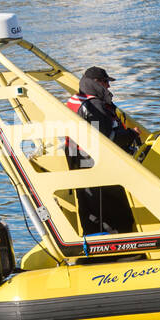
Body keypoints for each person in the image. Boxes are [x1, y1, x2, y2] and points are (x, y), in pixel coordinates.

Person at [64, 66, 141, 236]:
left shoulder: (77, 100)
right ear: (97, 83)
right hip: (97, 166)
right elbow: (105, 138)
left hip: (81, 163)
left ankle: (95, 249)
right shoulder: (94, 105)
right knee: (115, 214)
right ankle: (123, 253)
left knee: (91, 214)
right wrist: (131, 135)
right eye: (106, 82)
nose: (109, 87)